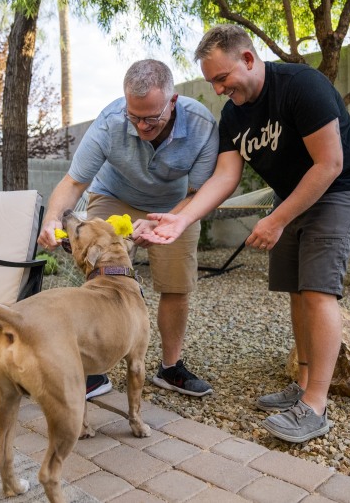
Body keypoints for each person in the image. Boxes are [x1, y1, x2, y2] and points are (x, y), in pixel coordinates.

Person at [143, 25, 350, 442]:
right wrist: (182, 218)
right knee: (296, 290)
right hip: (294, 197)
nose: (216, 89)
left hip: (340, 191)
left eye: (221, 78)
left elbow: (330, 164)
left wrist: (277, 219)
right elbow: (225, 177)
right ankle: (302, 385)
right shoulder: (234, 114)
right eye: (212, 81)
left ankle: (315, 406)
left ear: (248, 59)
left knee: (318, 289)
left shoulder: (302, 86)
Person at [37, 59, 218, 398]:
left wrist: (166, 220)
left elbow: (198, 193)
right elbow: (74, 182)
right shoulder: (110, 122)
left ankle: (169, 368)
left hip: (175, 205)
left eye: (151, 117)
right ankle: (94, 368)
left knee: (176, 283)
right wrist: (52, 218)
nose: (142, 126)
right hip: (114, 195)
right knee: (98, 278)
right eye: (134, 117)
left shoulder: (201, 125)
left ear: (173, 101)